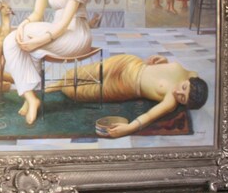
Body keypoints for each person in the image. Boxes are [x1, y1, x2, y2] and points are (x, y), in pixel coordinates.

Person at [3, 0, 92, 125]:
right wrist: (23, 25)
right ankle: (31, 97)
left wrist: (39, 40)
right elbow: (37, 13)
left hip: (76, 34)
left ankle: (30, 96)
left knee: (27, 43)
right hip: (56, 30)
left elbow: (66, 21)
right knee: (11, 41)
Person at [52, 54, 209, 138]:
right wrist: (164, 60)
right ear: (188, 81)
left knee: (76, 92)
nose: (178, 92)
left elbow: (149, 116)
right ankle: (51, 87)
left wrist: (129, 128)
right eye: (183, 88)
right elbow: (194, 74)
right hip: (129, 63)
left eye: (182, 98)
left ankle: (51, 89)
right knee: (78, 73)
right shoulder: (183, 71)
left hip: (125, 85)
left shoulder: (170, 101)